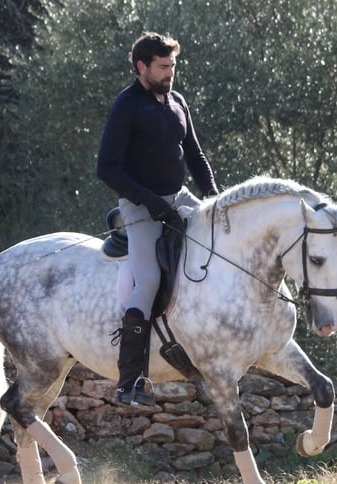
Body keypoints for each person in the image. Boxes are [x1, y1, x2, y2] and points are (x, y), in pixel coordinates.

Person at [97, 31, 218, 406]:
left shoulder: (177, 101)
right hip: (139, 205)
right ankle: (130, 381)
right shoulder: (127, 105)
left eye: (173, 66)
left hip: (179, 197)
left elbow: (195, 156)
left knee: (220, 243)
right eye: (163, 67)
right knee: (148, 279)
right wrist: (150, 202)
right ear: (142, 66)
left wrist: (214, 198)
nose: (170, 72)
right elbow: (107, 169)